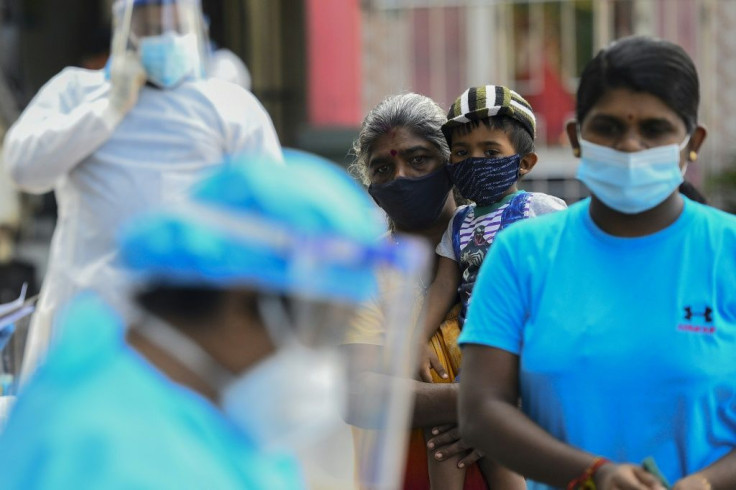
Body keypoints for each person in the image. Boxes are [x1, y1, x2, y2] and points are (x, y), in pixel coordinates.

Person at [0, 150, 415, 488]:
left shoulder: (133, 371)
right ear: (245, 300)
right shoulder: (121, 459)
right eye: (322, 330)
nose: (326, 362)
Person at [457, 35, 736, 490]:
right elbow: (481, 410)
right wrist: (594, 474)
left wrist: (704, 483)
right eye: (607, 127)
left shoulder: (728, 251)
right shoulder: (521, 254)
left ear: (692, 143)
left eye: (654, 129)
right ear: (576, 138)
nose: (629, 145)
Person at [1, 0, 282, 381]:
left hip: (188, 325)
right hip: (85, 322)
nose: (163, 36)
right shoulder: (75, 91)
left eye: (174, 26)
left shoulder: (230, 106)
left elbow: (272, 213)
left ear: (196, 29)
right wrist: (108, 108)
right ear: (125, 30)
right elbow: (24, 169)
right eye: (149, 25)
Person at [347, 92, 526, 490]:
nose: (401, 177)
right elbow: (359, 394)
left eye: (418, 159)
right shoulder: (364, 275)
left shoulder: (510, 244)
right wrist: (475, 406)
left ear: (452, 165)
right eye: (382, 167)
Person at [418, 85, 566, 489]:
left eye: (490, 152)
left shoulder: (541, 211)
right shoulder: (459, 223)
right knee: (443, 433)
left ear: (525, 162)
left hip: (524, 353)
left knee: (497, 442)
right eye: (462, 154)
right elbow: (444, 286)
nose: (474, 161)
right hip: (475, 353)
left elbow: (561, 286)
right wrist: (415, 339)